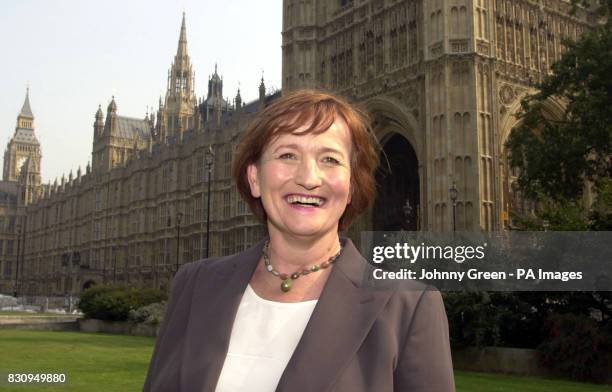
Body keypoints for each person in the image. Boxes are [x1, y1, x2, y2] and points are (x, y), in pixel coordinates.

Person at [144, 90, 455, 392]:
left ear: (352, 185)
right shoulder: (194, 286)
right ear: (255, 178)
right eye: (288, 155)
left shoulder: (409, 308)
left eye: (330, 159)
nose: (308, 177)